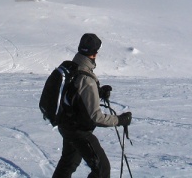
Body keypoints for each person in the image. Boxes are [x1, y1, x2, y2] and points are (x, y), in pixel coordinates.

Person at [52, 33, 132, 178]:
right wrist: (120, 120)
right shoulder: (86, 79)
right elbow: (96, 117)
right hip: (79, 131)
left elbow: (75, 94)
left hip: (67, 125)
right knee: (102, 169)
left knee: (68, 163)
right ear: (95, 53)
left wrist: (98, 92)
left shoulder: (72, 67)